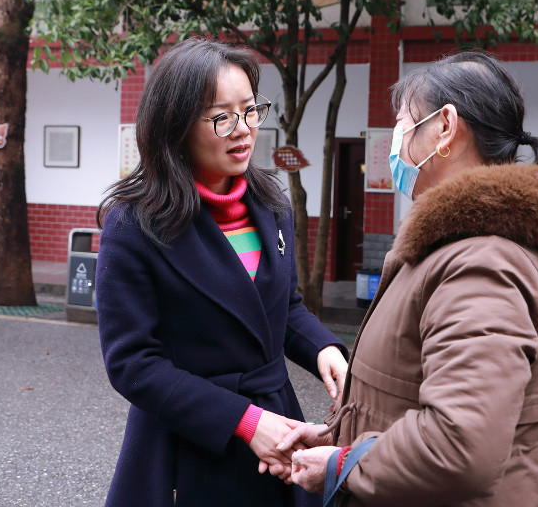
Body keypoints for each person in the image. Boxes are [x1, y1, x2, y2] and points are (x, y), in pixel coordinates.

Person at [277, 50, 538, 506]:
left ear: (445, 127)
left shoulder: (484, 265)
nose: (396, 142)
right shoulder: (454, 246)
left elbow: (458, 447)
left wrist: (344, 464)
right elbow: (408, 400)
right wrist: (338, 437)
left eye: (403, 125)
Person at [95, 37, 348, 507]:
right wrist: (244, 421)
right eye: (222, 117)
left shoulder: (271, 204)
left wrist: (324, 348)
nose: (244, 129)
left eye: (250, 111)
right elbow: (132, 363)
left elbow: (282, 306)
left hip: (277, 422)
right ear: (175, 124)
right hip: (189, 440)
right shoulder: (134, 224)